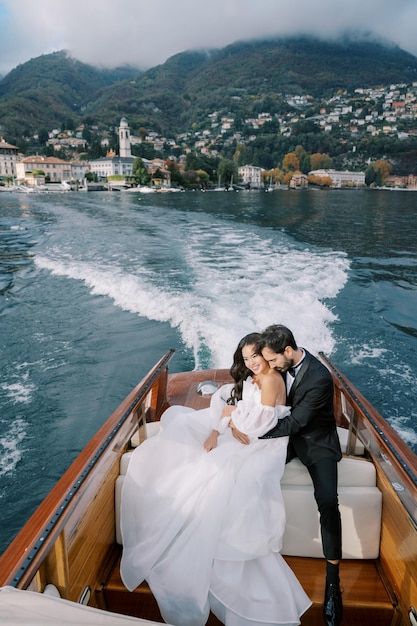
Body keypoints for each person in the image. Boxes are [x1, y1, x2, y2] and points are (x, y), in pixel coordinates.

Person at [120, 333, 311, 626]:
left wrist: (231, 417)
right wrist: (222, 425)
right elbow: (239, 412)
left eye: (255, 357)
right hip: (247, 433)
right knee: (187, 434)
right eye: (245, 359)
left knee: (216, 470)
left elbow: (262, 424)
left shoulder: (272, 380)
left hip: (264, 446)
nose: (250, 364)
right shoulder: (252, 378)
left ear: (265, 355)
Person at [254, 324, 343, 626]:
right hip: (288, 439)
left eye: (274, 360)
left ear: (288, 352)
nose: (272, 366)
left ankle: (333, 584)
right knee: (248, 475)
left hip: (317, 442)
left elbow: (298, 421)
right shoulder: (279, 367)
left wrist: (256, 434)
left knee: (329, 501)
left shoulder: (319, 378)